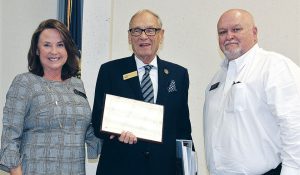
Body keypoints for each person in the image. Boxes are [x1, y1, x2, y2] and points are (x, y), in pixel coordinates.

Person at [91, 9, 193, 175]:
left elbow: (183, 129)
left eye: (150, 30)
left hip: (164, 168)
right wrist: (115, 132)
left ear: (161, 35)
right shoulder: (110, 71)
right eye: (136, 30)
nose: (143, 36)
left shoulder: (178, 74)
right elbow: (97, 122)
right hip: (120, 166)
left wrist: (189, 169)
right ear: (129, 37)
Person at [203, 9, 300, 175]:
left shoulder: (274, 67)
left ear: (254, 33)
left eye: (236, 29)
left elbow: (294, 125)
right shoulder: (216, 80)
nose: (229, 36)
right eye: (222, 32)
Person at [0, 19, 101, 175]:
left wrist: (116, 131)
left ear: (68, 49)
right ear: (37, 50)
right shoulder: (25, 82)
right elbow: (10, 137)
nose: (54, 51)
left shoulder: (76, 84)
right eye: (47, 45)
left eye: (60, 45)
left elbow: (87, 132)